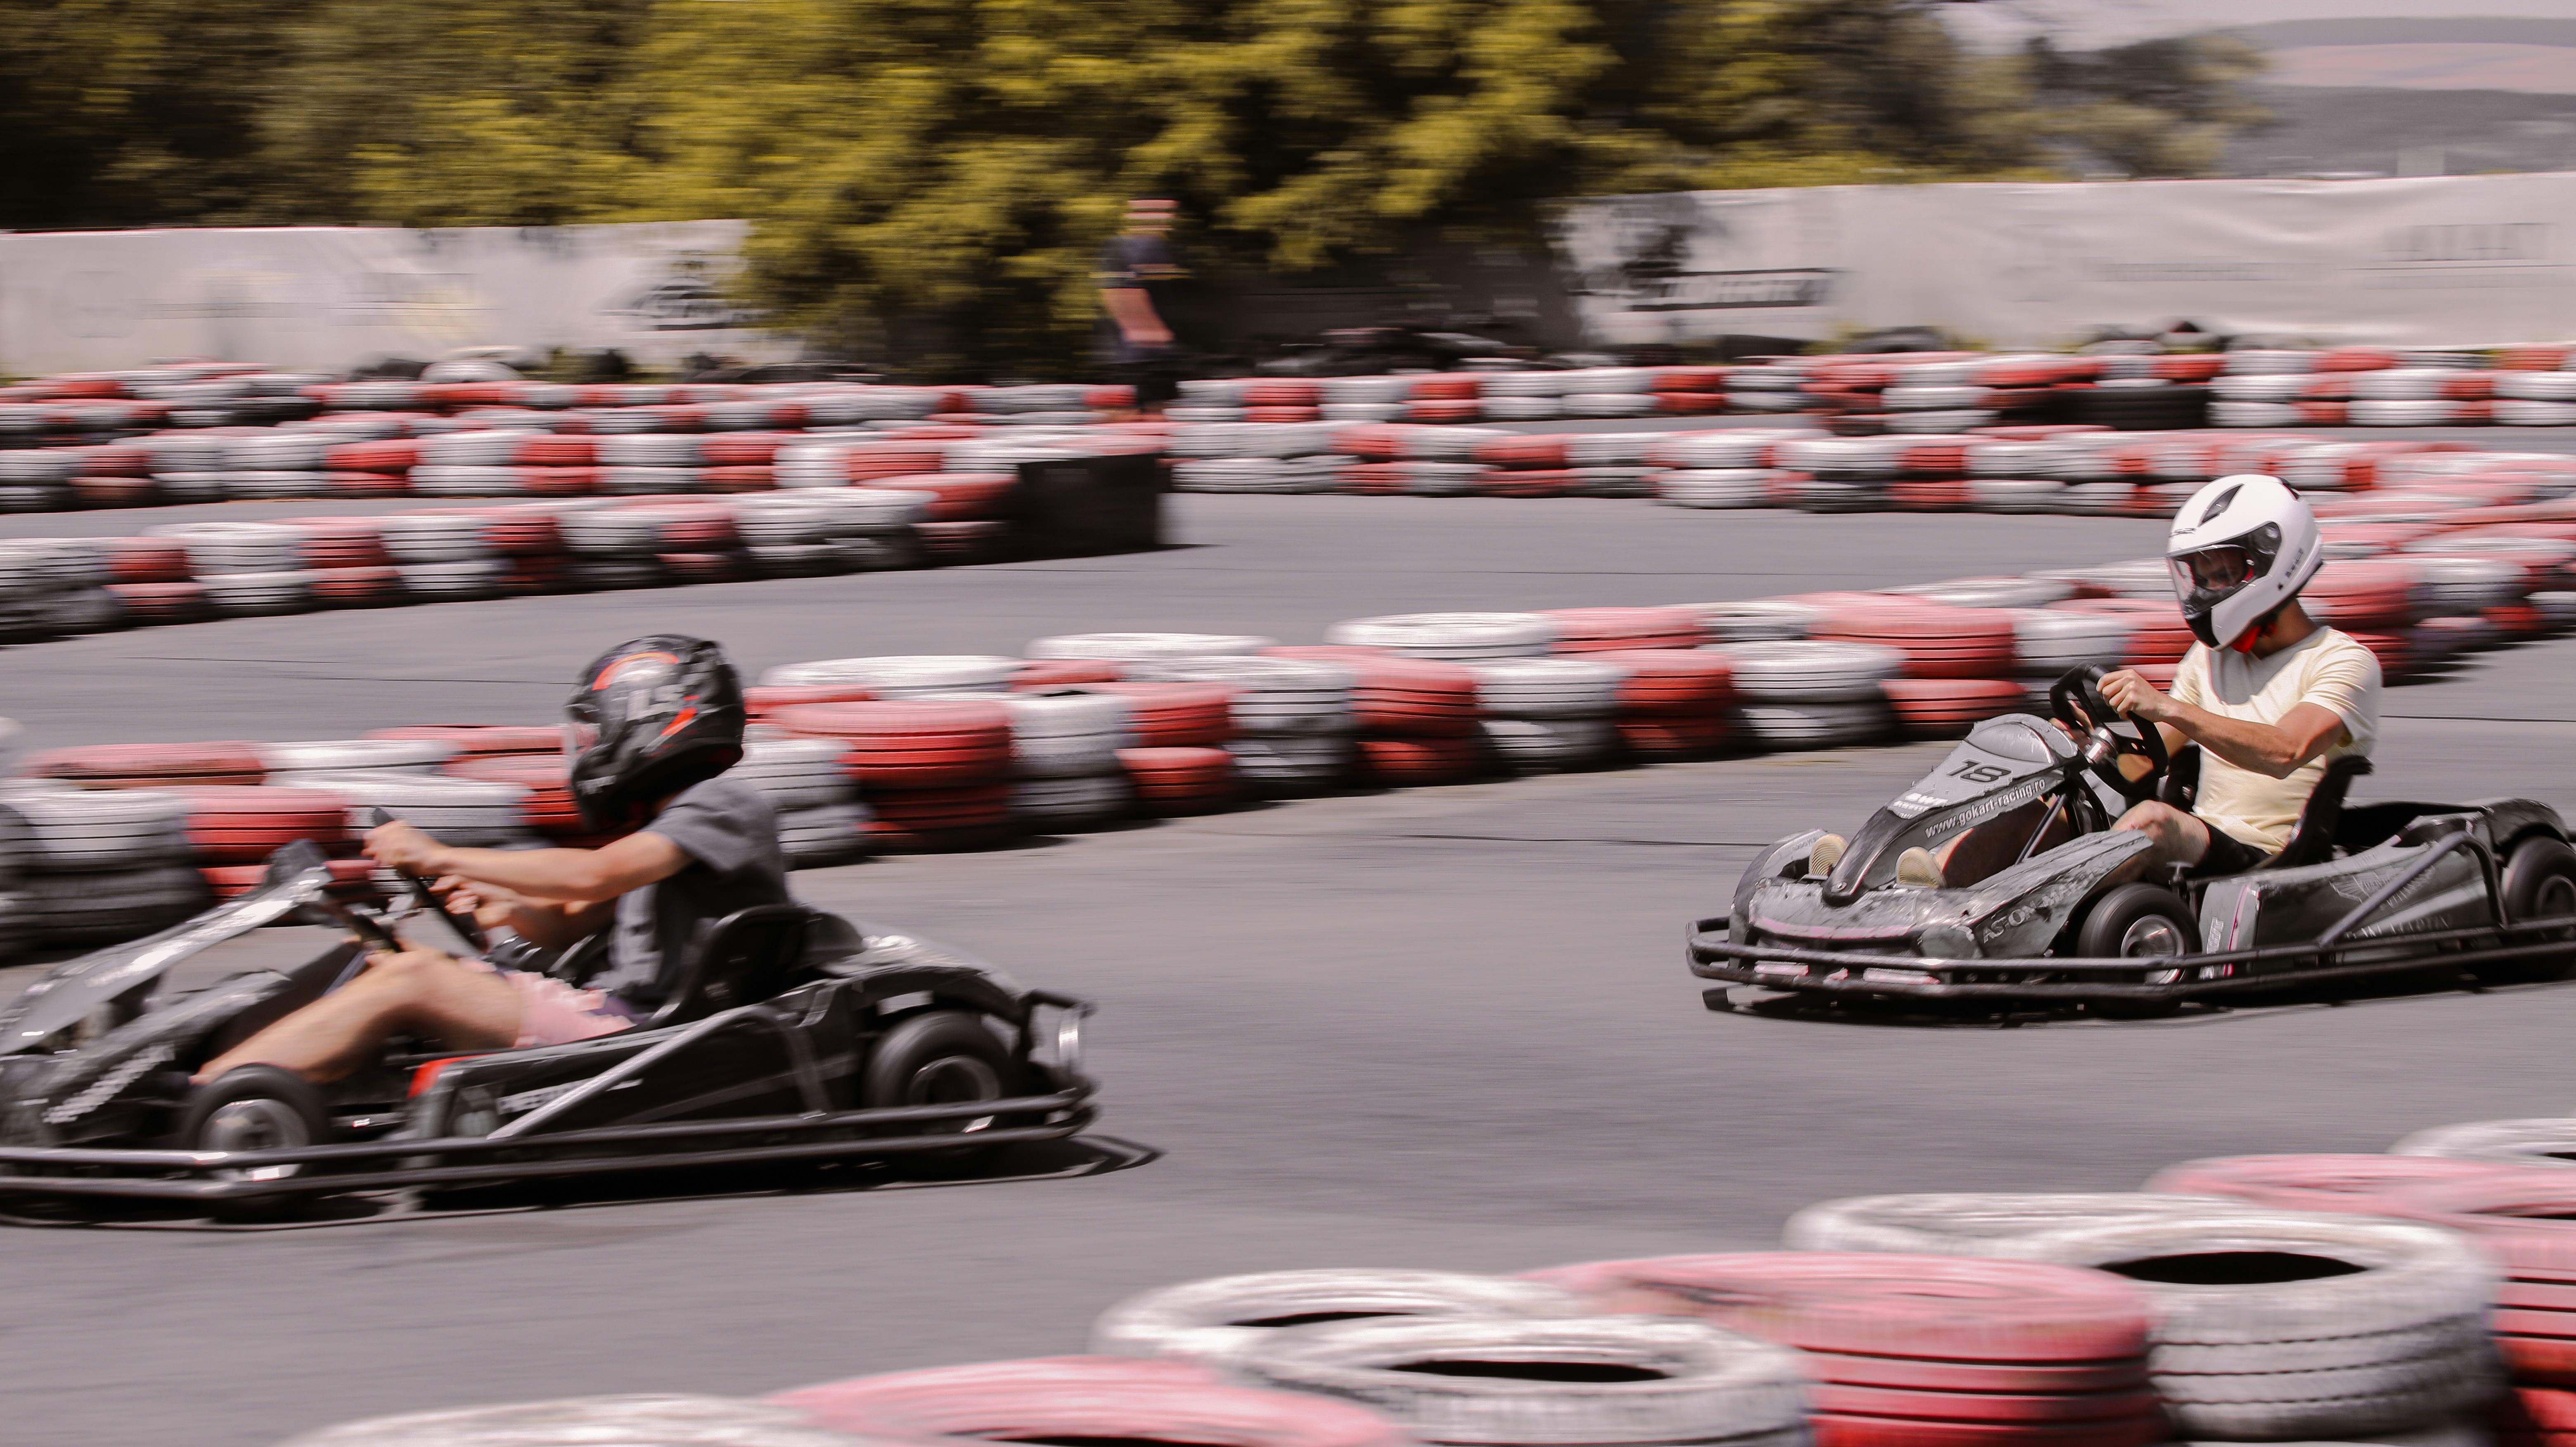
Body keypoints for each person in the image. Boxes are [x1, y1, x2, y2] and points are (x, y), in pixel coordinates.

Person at [192, 635, 789, 1087]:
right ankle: (203, 1059)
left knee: (412, 980)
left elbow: (593, 875)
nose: (588, 748)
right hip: (612, 1010)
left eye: (597, 730)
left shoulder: (723, 802)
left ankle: (213, 1092)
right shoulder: (671, 827)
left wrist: (442, 852)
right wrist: (498, 903)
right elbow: (571, 920)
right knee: (380, 954)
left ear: (650, 718)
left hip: (639, 1033)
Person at [1809, 473, 2380, 887]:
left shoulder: (2342, 662)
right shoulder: (2210, 660)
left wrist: (2170, 710)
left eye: (2222, 571)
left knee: (2150, 823)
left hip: (2266, 855)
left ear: (2271, 561)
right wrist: (2084, 751)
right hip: (2199, 831)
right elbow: (2150, 759)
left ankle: (2009, 920)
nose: (2206, 588)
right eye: (2200, 574)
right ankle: (1903, 881)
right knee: (2044, 799)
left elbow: (2285, 751)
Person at [1096, 197, 1188, 415]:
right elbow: (1120, 292)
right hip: (1142, 350)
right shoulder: (1130, 248)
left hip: (1145, 351)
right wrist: (1152, 332)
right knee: (1143, 414)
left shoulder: (1159, 247)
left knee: (1151, 414)